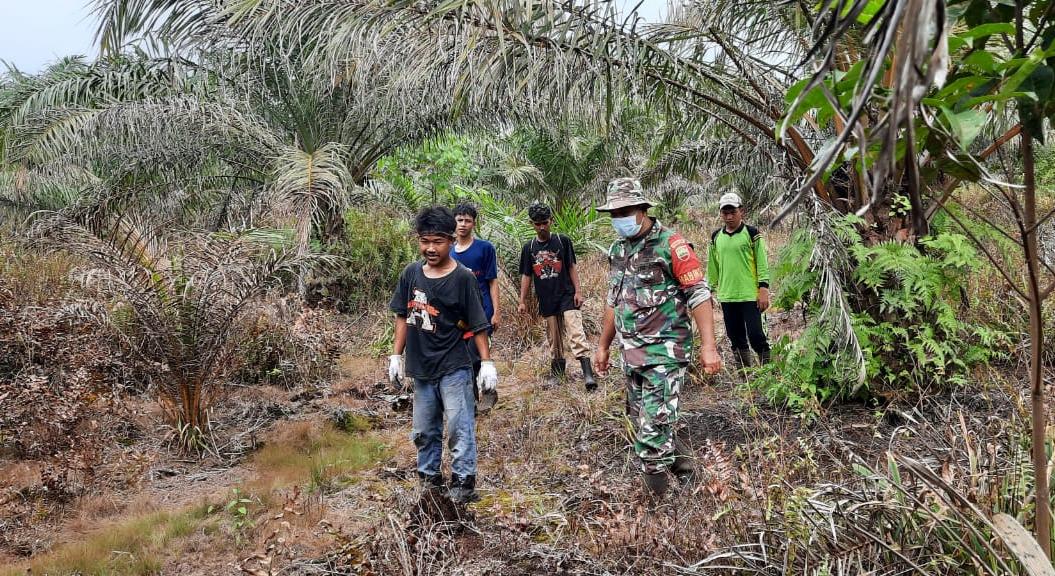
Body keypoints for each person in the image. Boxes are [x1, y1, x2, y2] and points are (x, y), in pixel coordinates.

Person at [593, 177, 722, 498]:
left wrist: (709, 346)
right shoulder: (618, 250)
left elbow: (698, 294)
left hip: (665, 355)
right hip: (631, 355)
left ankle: (660, 520)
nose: (618, 218)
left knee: (650, 439)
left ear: (642, 208)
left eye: (624, 210)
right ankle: (690, 474)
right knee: (646, 422)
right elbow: (614, 300)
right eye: (613, 212)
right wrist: (603, 346)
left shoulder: (672, 244)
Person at [388, 206, 499, 504]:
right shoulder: (411, 274)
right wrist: (396, 356)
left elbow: (478, 323)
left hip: (454, 366)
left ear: (450, 241)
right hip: (421, 367)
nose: (430, 248)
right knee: (424, 430)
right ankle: (429, 481)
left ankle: (463, 483)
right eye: (425, 241)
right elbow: (402, 315)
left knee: (459, 427)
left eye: (437, 241)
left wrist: (486, 363)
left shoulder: (463, 278)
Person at [517, 204, 596, 391]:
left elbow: (571, 267)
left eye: (545, 222)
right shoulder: (529, 248)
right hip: (546, 297)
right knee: (554, 338)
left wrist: (578, 291)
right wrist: (522, 301)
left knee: (575, 331)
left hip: (567, 294)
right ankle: (558, 373)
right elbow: (526, 275)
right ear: (531, 224)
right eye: (538, 224)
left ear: (551, 221)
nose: (542, 227)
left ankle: (588, 374)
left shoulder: (562, 241)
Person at [707, 192, 771, 368]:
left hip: (750, 295)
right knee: (735, 337)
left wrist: (763, 288)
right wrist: (708, 290)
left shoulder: (752, 234)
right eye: (725, 213)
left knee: (756, 335)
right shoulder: (715, 237)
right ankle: (745, 375)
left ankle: (767, 371)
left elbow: (762, 262)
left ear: (741, 211)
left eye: (732, 212)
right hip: (727, 296)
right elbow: (713, 268)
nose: (728, 217)